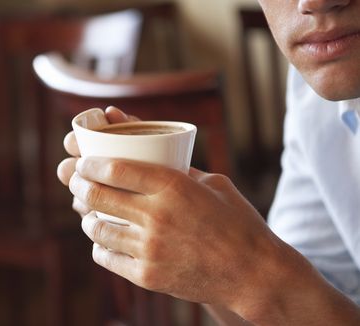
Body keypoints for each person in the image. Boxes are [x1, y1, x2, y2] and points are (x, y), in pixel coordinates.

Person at [57, 0, 360, 324]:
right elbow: (307, 303)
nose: (315, 2)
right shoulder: (314, 95)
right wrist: (215, 267)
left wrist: (252, 273)